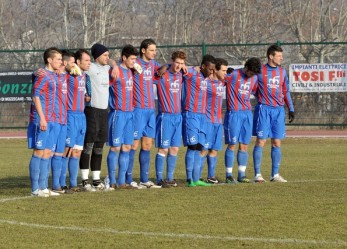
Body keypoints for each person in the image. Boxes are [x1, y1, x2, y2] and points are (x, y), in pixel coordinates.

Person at [252, 44, 295, 183]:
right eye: (279, 55)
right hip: (264, 109)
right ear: (271, 56)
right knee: (261, 141)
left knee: (276, 142)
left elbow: (285, 91)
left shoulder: (282, 72)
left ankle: (274, 175)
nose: (282, 58)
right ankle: (257, 174)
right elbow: (251, 88)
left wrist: (291, 108)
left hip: (278, 111)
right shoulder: (260, 71)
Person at [126, 39, 161, 189]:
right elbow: (120, 65)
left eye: (155, 50)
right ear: (143, 50)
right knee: (133, 144)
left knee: (147, 145)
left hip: (150, 110)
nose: (154, 52)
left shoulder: (154, 65)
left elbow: (166, 69)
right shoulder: (135, 64)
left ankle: (144, 179)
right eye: (152, 50)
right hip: (137, 109)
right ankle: (128, 179)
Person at [27, 47, 62, 197]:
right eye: (58, 59)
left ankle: (43, 186)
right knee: (39, 152)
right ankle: (35, 189)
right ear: (49, 60)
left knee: (48, 152)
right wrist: (42, 118)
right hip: (42, 119)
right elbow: (35, 97)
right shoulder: (43, 75)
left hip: (53, 119)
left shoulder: (54, 75)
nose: (61, 62)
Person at [224, 57, 261, 184]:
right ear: (246, 68)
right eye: (251, 73)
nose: (251, 76)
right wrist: (225, 74)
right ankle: (229, 175)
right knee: (232, 144)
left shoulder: (254, 78)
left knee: (244, 144)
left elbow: (256, 91)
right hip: (234, 113)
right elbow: (218, 80)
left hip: (247, 114)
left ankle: (242, 175)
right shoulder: (233, 74)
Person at [106, 44, 138, 190]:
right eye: (131, 59)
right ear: (124, 58)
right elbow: (104, 85)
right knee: (116, 148)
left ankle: (121, 181)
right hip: (118, 114)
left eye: (135, 59)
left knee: (127, 147)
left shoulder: (132, 71)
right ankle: (111, 180)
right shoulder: (115, 71)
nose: (134, 61)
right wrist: (113, 64)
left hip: (130, 114)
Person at [79, 43, 110, 191]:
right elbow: (75, 65)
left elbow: (115, 64)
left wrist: (115, 65)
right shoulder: (90, 67)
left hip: (104, 112)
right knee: (88, 145)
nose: (107, 57)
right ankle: (85, 179)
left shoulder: (108, 68)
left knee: (99, 146)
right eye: (105, 55)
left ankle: (96, 179)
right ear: (97, 56)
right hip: (92, 110)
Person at [182, 54, 216, 187]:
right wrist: (191, 67)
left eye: (213, 70)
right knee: (192, 146)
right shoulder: (192, 74)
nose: (212, 72)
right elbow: (180, 68)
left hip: (202, 116)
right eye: (210, 69)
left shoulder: (206, 78)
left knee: (200, 147)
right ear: (202, 67)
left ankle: (196, 179)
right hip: (191, 114)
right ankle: (189, 179)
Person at [154, 51, 187, 187]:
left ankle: (170, 178)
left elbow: (195, 71)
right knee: (163, 149)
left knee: (174, 149)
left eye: (181, 63)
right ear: (172, 61)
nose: (179, 65)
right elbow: (153, 71)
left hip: (178, 117)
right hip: (165, 116)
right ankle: (159, 178)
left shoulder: (181, 75)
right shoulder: (162, 74)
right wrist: (165, 66)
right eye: (177, 62)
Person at [63, 49, 91, 191]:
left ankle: (73, 184)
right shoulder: (67, 75)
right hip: (70, 116)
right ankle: (61, 183)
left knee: (77, 151)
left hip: (81, 116)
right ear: (77, 62)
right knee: (67, 150)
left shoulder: (84, 76)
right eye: (86, 60)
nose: (89, 63)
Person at [199, 58, 228, 184]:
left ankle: (211, 176)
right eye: (223, 70)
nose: (225, 73)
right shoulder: (206, 82)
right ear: (215, 70)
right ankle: (197, 176)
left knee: (214, 149)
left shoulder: (222, 82)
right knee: (203, 149)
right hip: (207, 121)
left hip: (218, 121)